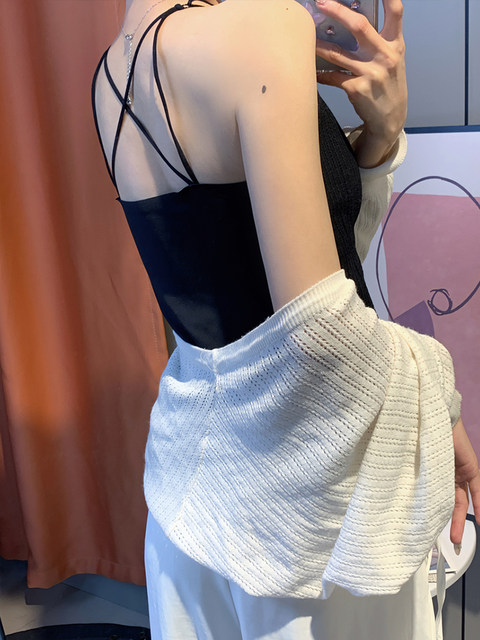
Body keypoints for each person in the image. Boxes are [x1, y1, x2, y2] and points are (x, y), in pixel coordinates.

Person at [91, 0, 480, 638]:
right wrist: (443, 404)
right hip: (315, 532)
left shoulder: (114, 69)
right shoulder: (262, 25)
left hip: (192, 508)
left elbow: (277, 271)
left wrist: (380, 136)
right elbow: (320, 339)